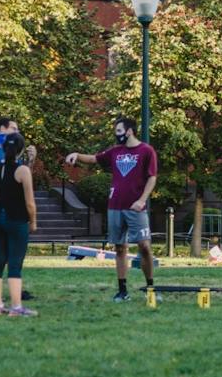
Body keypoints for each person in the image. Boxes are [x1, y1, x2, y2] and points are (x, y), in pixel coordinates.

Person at [65, 118, 158, 302]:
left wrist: (142, 200)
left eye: (119, 130)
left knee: (144, 246)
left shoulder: (146, 151)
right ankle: (123, 291)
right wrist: (77, 154)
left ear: (129, 131)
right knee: (120, 248)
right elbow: (94, 158)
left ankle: (151, 288)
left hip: (136, 207)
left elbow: (152, 177)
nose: (117, 134)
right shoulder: (115, 151)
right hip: (115, 206)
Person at [0, 117, 35, 302]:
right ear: (2, 128)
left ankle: (13, 290)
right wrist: (1, 202)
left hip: (10, 208)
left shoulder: (13, 155)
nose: (17, 131)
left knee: (12, 250)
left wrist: (31, 161)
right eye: (13, 128)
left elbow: (23, 180)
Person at [0, 136, 38, 315]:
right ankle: (16, 307)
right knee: (15, 264)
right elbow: (30, 202)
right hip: (16, 220)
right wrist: (33, 221)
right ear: (21, 149)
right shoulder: (23, 171)